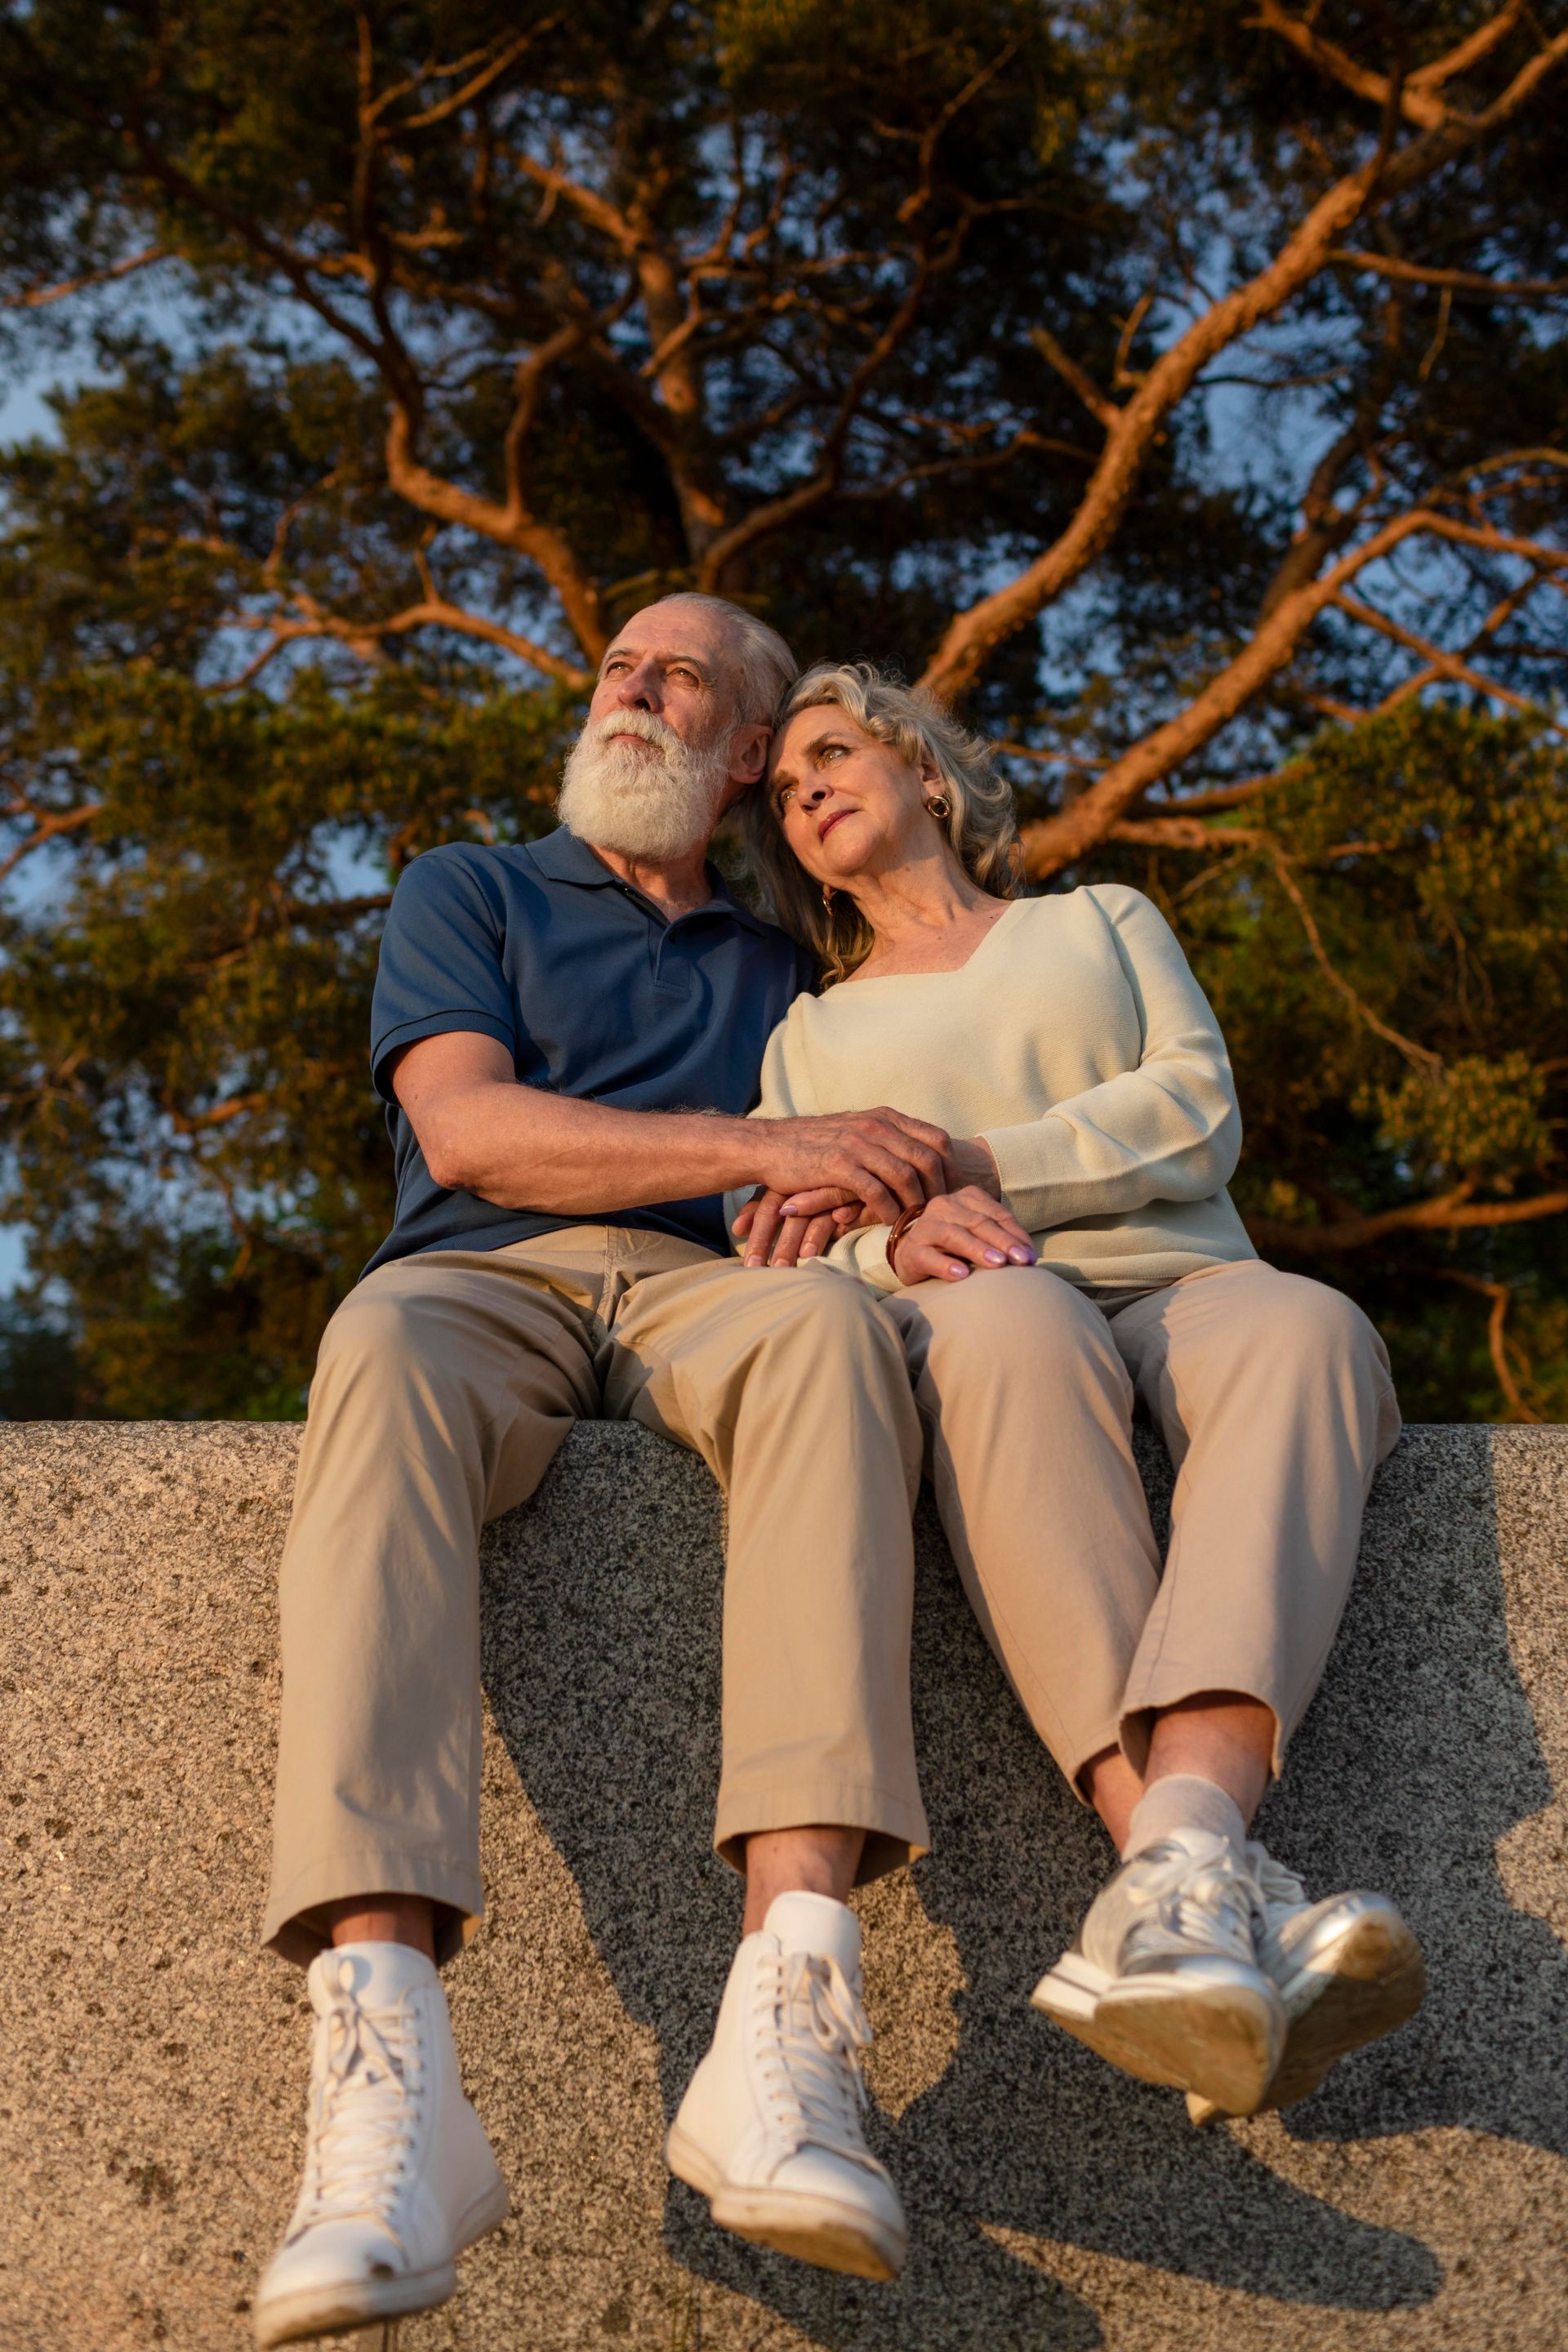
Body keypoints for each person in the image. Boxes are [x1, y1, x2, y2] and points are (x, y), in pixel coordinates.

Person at [254, 597, 966, 2345]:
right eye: (617, 672)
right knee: (378, 1351)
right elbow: (471, 1130)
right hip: (477, 1271)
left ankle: (787, 2027)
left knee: (829, 1336)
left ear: (743, 755)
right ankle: (388, 2093)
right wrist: (762, 1138)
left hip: (715, 1296)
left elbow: (867, 1156)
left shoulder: (791, 969)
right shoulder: (472, 888)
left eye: (684, 682)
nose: (631, 693)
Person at [722, 658, 1424, 2145]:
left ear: (926, 770)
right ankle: (1182, 1878)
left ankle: (1179, 1862)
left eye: (834, 754)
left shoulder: (1098, 920)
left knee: (1312, 1328)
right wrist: (893, 1236)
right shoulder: (806, 1038)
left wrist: (965, 1168)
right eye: (784, 791)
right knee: (1007, 1324)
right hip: (980, 1305)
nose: (808, 793)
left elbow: (1192, 1104)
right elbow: (789, 1234)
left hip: (1185, 1274)